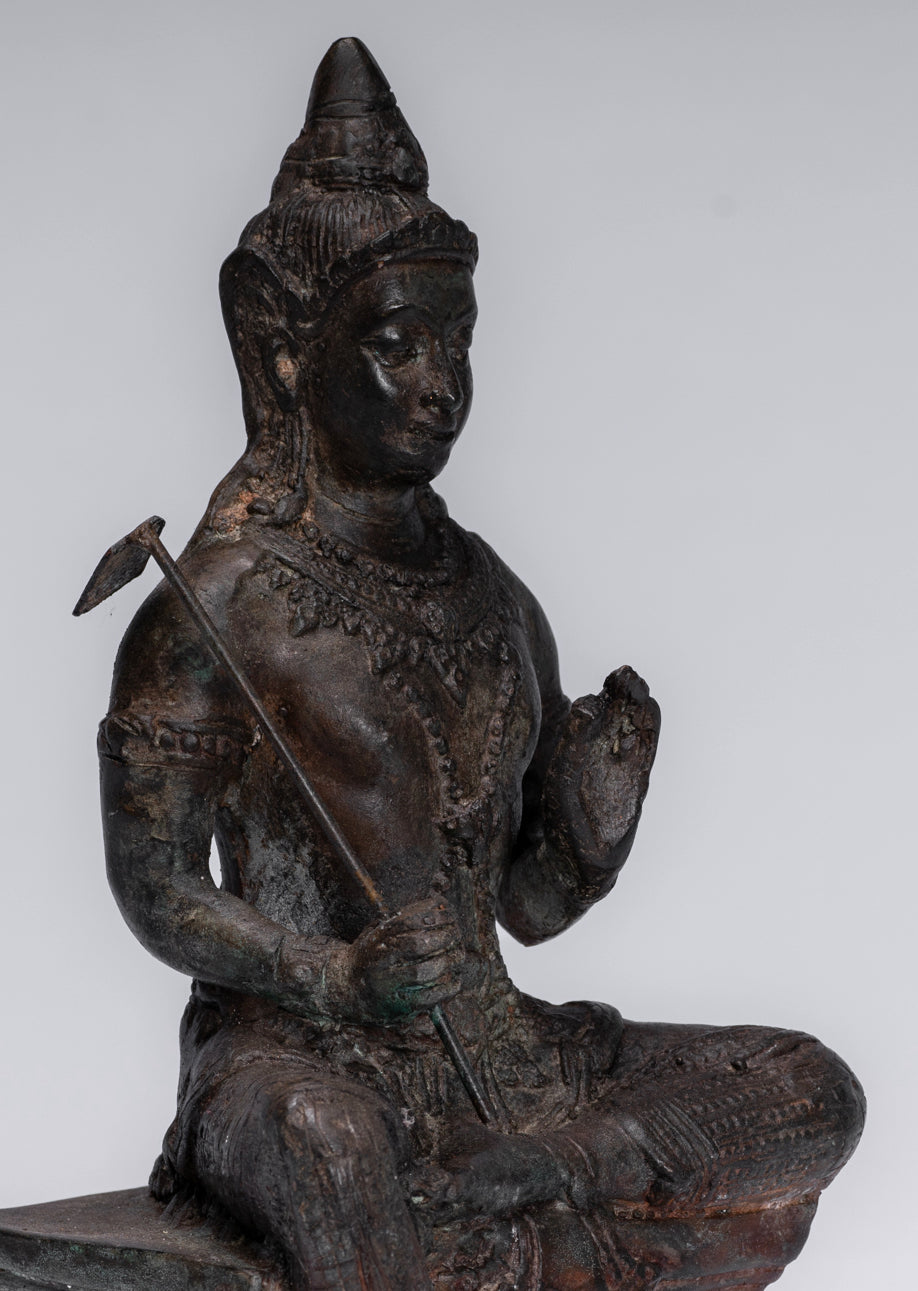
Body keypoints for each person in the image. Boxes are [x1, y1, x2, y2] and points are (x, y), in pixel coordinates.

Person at [100, 38, 864, 1291]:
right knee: (333, 1143)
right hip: (291, 1058)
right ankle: (528, 1224)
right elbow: (156, 884)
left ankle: (537, 1175)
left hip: (500, 1056)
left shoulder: (496, 601)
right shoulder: (217, 606)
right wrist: (332, 973)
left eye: (458, 344)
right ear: (285, 348)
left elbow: (525, 908)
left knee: (806, 1083)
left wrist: (590, 832)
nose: (440, 384)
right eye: (399, 345)